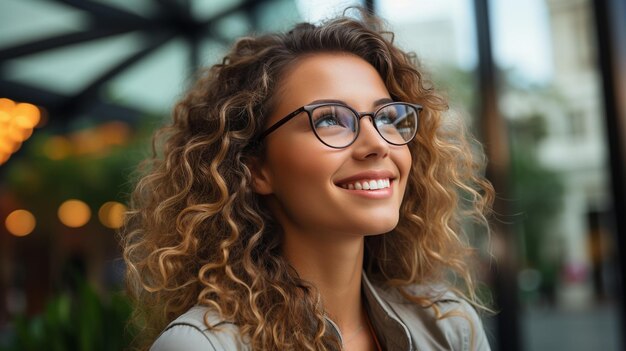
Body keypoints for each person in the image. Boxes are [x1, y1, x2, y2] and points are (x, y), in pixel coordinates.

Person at [121, 10, 494, 351]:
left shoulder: (450, 328)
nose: (378, 143)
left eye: (387, 117)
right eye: (330, 119)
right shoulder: (203, 346)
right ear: (255, 168)